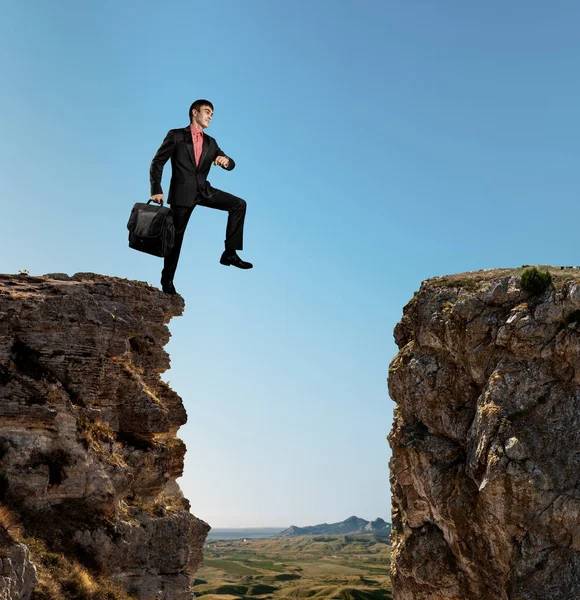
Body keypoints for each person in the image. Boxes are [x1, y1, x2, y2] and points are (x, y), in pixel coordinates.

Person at [150, 99, 252, 295]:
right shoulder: (177, 135)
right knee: (175, 239)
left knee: (239, 204)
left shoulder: (211, 143)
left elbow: (231, 163)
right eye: (207, 112)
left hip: (205, 191)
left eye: (212, 114)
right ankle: (167, 280)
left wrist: (226, 161)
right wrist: (156, 188)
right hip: (182, 194)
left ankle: (229, 253)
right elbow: (157, 162)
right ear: (194, 113)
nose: (210, 116)